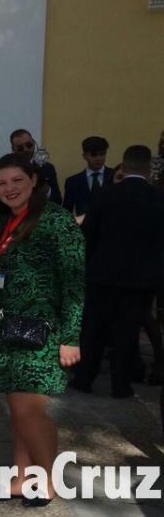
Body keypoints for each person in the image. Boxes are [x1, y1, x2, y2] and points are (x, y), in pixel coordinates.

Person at [0, 153, 84, 506]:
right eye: (1, 183)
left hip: (42, 332)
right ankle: (21, 478)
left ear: (34, 180)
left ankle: (48, 481)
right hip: (5, 331)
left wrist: (70, 337)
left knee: (29, 412)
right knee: (18, 412)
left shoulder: (56, 221)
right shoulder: (1, 222)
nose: (9, 188)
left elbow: (74, 283)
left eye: (17, 181)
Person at [72, 145, 164, 398]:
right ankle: (121, 385)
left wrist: (88, 266)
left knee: (94, 329)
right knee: (128, 331)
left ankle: (84, 378)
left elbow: (87, 234)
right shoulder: (157, 199)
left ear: (124, 164)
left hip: (102, 274)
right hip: (140, 279)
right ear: (148, 167)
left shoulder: (105, 195)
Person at [62, 136, 113, 218]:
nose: (98, 158)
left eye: (102, 154)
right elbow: (66, 212)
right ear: (84, 156)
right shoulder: (73, 182)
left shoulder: (115, 176)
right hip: (84, 225)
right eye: (94, 155)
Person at [10, 129, 62, 204]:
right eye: (20, 148)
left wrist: (47, 190)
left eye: (29, 145)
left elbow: (58, 200)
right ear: (13, 149)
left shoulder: (47, 168)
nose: (26, 149)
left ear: (34, 143)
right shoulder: (7, 170)